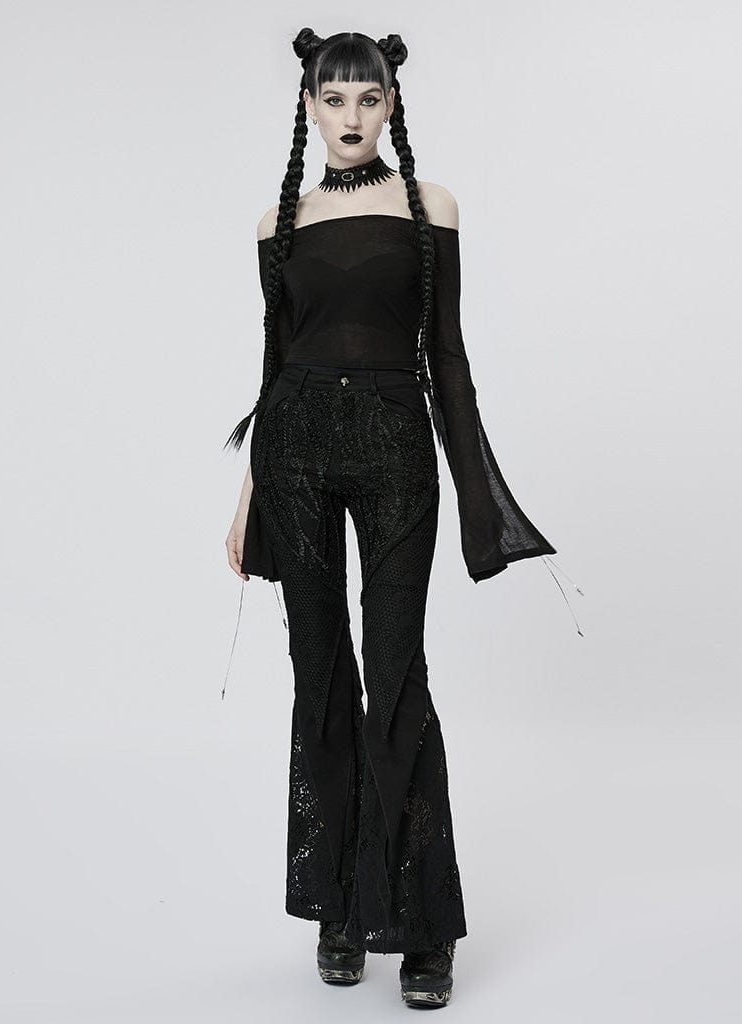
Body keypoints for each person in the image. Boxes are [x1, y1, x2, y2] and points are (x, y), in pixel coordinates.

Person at [223, 28, 579, 1010]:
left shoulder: (431, 207)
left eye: (367, 98)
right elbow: (273, 363)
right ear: (308, 107)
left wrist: (479, 493)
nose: (350, 116)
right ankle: (339, 910)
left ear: (391, 106)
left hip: (393, 451)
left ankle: (422, 929)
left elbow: (446, 355)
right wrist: (248, 497)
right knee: (320, 678)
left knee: (395, 677)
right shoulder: (276, 223)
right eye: (333, 99)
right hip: (294, 455)